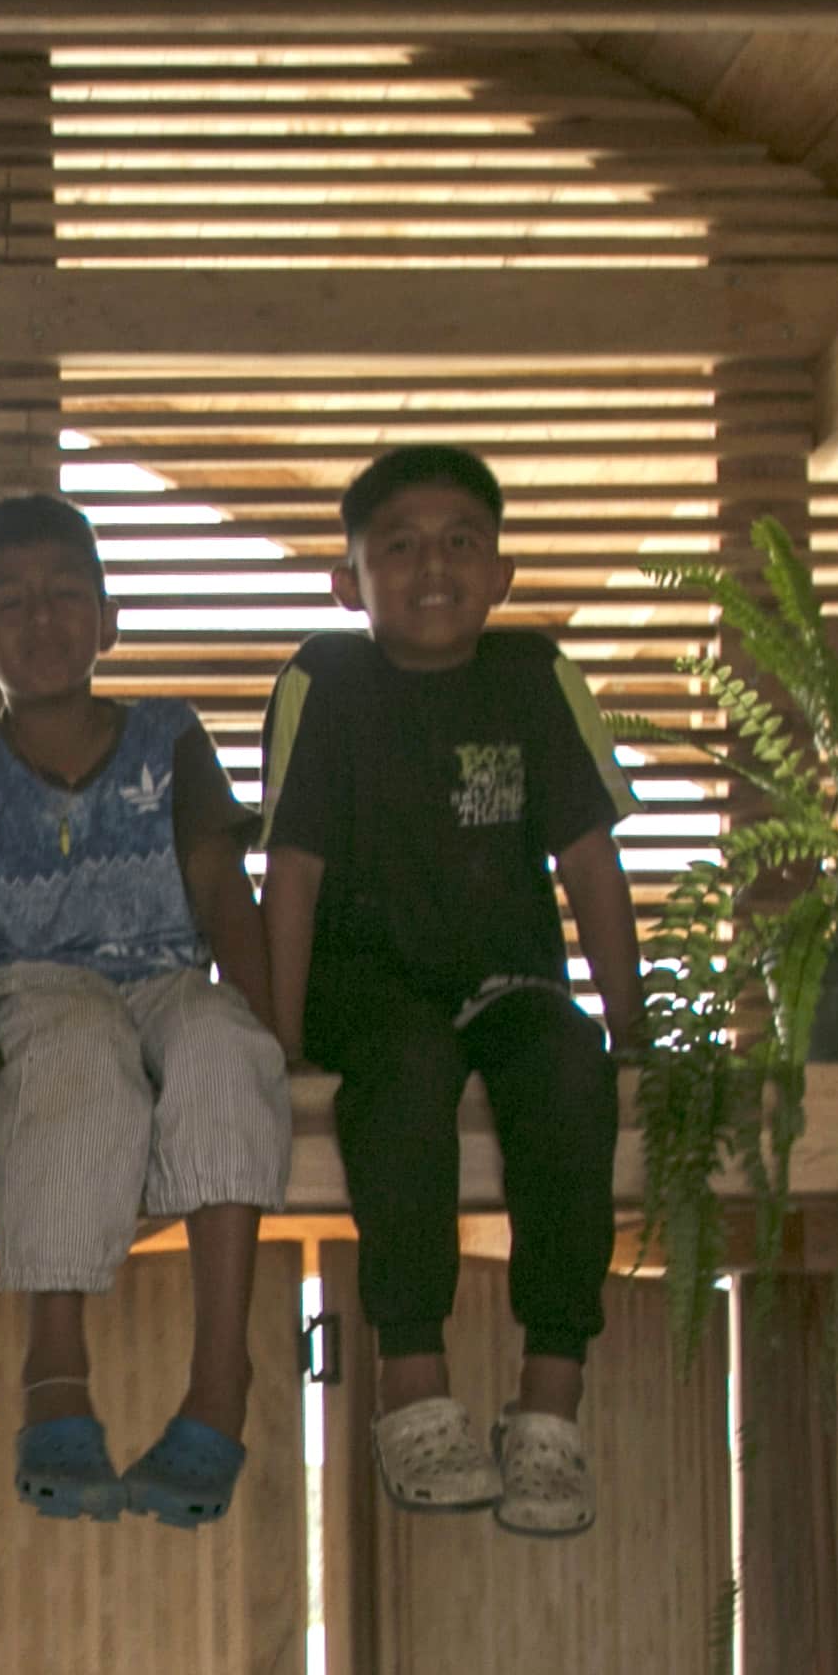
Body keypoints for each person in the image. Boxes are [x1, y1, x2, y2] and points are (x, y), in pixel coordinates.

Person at [260, 446, 642, 1546]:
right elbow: (289, 872)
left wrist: (632, 1029)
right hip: (364, 989)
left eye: (461, 542)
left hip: (508, 983)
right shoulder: (324, 684)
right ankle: (412, 1387)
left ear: (502, 575)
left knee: (567, 1070)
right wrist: (280, 1046)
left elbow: (590, 863)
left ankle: (550, 1401)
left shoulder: (533, 675)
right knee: (407, 1075)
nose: (434, 567)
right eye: (399, 546)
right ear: (349, 581)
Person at [0, 494, 285, 1527]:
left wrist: (266, 1025)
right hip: (31, 981)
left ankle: (221, 1382)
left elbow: (222, 891)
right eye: (11, 603)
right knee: (75, 1062)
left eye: (66, 596)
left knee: (221, 1050)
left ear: (109, 620)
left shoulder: (169, 738)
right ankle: (55, 1367)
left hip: (168, 973)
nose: (41, 620)